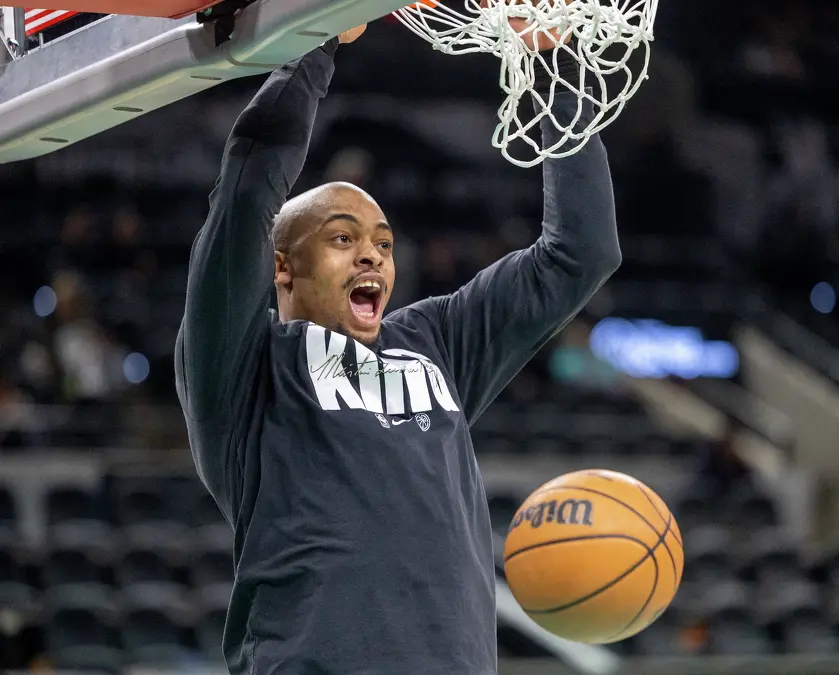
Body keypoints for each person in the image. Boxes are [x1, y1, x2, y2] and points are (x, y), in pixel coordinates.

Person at [175, 21, 620, 675]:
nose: (372, 256)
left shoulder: (433, 340)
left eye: (383, 243)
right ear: (282, 268)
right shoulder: (246, 365)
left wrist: (552, 63)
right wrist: (316, 35)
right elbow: (249, 182)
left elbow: (581, 253)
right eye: (342, 237)